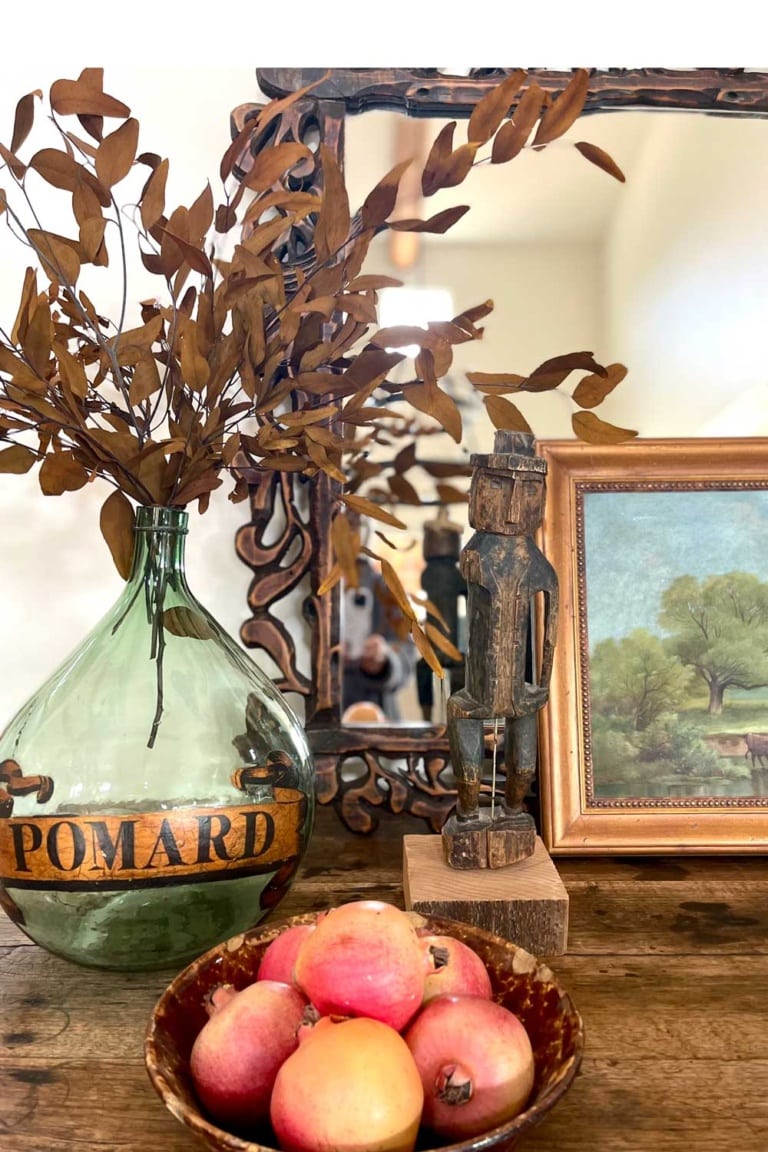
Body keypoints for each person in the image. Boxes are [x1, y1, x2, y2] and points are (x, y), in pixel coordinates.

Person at [342, 556, 417, 722]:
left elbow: (406, 655)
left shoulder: (384, 588)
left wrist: (385, 659)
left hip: (375, 713)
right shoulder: (302, 584)